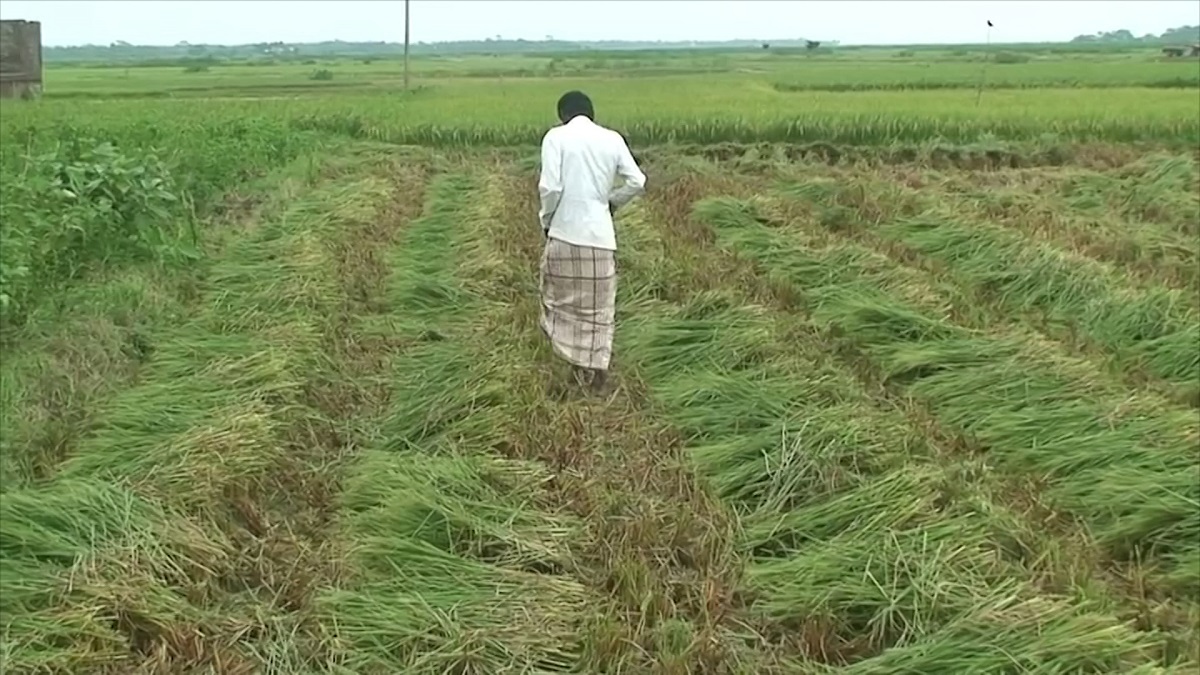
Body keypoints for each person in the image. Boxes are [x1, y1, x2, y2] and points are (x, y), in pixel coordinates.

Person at [538, 90, 646, 395]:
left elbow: (550, 187)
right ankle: (597, 372)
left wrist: (547, 220)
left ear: (563, 115)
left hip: (564, 234)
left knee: (561, 305)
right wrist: (611, 204)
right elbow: (638, 182)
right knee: (598, 308)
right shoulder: (612, 139)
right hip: (601, 238)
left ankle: (573, 364)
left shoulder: (556, 137)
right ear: (591, 113)